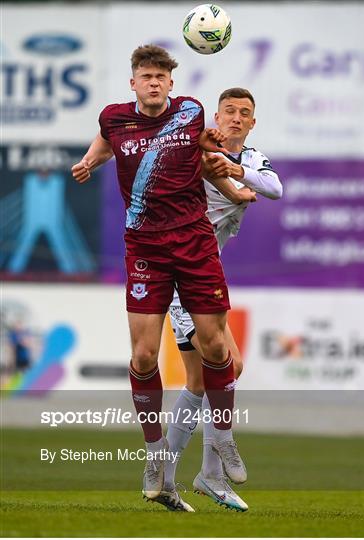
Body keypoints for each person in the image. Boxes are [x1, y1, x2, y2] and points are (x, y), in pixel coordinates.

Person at [71, 45, 246, 511]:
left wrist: (226, 170)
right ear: (133, 83)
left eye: (161, 77)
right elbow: (107, 142)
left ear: (171, 83)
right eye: (146, 76)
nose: (153, 82)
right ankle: (155, 456)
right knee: (144, 355)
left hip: (193, 241)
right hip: (145, 246)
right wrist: (91, 161)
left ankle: (224, 441)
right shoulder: (114, 117)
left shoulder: (190, 112)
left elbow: (207, 150)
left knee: (217, 349)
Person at [162, 87, 283, 512]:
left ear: (252, 123)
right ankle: (209, 475)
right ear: (216, 116)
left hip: (203, 277)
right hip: (179, 274)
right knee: (225, 368)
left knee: (202, 381)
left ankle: (169, 477)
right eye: (228, 110)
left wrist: (235, 171)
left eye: (244, 113)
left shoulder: (250, 160)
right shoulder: (197, 152)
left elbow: (274, 188)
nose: (235, 117)